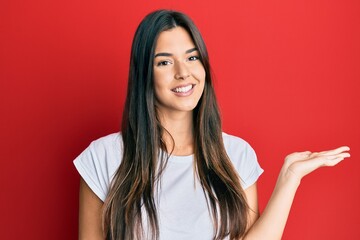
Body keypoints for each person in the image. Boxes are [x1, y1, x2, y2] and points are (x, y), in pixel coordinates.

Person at [73, 9, 350, 240]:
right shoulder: (103, 157)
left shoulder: (236, 154)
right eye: (165, 62)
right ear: (145, 74)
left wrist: (289, 178)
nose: (184, 73)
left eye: (192, 58)